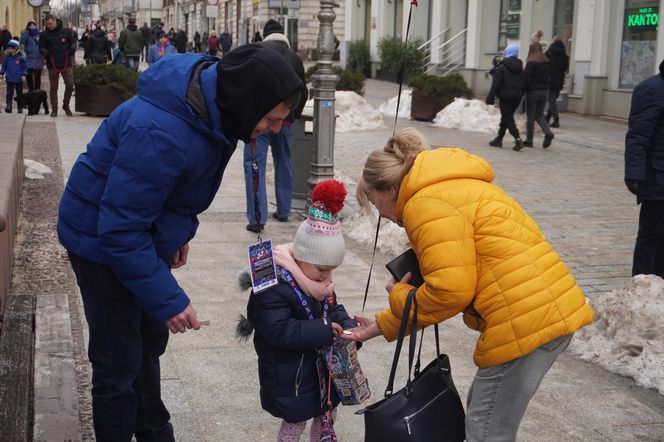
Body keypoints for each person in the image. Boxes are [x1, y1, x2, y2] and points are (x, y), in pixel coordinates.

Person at [57, 45, 304, 442]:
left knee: (147, 341)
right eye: (272, 119)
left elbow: (178, 188)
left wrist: (176, 235)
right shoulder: (161, 130)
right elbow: (119, 230)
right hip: (98, 242)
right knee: (117, 363)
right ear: (249, 102)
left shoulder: (219, 109)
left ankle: (153, 428)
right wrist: (171, 300)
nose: (275, 129)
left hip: (136, 231)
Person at [345, 128, 594, 442]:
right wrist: (380, 325)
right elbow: (453, 281)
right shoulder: (453, 186)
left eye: (374, 202)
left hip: (524, 320)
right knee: (483, 414)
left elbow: (449, 291)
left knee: (487, 432)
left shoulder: (425, 204)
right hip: (539, 311)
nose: (381, 213)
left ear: (389, 188)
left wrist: (400, 295)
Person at [237, 180, 357, 441]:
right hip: (291, 374)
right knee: (294, 423)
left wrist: (347, 325)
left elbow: (331, 308)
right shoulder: (274, 287)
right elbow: (280, 330)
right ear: (300, 256)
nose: (327, 276)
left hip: (322, 371)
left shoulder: (318, 282)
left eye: (330, 270)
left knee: (326, 417)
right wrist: (325, 329)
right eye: (321, 269)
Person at [243, 18, 307, 232]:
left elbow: (248, 86)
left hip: (259, 121)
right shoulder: (295, 58)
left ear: (266, 34)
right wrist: (291, 116)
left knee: (254, 164)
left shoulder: (259, 51)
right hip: (286, 122)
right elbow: (303, 91)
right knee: (284, 162)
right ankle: (284, 210)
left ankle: (257, 219)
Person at [625, 58, 664, 278]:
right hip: (658, 177)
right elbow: (638, 136)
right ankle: (641, 288)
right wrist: (634, 173)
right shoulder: (652, 89)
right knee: (652, 236)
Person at [486, 44, 525, 151]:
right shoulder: (520, 68)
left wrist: (490, 97)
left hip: (505, 97)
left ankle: (518, 140)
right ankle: (499, 139)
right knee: (506, 117)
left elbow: (496, 84)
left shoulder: (502, 67)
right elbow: (524, 83)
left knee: (507, 118)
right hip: (516, 97)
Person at [39, 15, 76, 117]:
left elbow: (73, 42)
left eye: (50, 23)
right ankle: (54, 109)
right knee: (53, 88)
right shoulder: (44, 34)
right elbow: (41, 48)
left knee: (70, 84)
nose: (48, 26)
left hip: (66, 63)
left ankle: (66, 105)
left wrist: (73, 48)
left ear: (55, 21)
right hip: (52, 64)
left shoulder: (66, 31)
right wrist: (46, 52)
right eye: (47, 24)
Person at [523, 41, 554, 148]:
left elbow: (526, 79)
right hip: (544, 92)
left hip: (532, 92)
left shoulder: (531, 63)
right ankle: (548, 133)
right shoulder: (546, 62)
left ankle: (529, 140)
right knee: (539, 115)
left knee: (531, 116)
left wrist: (523, 90)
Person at [545, 36, 569, 128]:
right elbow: (565, 68)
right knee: (553, 99)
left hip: (550, 79)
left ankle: (556, 119)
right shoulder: (564, 56)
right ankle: (547, 117)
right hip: (559, 80)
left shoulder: (549, 53)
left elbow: (545, 65)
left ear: (553, 42)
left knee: (551, 100)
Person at [1, 40, 27, 113]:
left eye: (11, 48)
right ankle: (9, 106)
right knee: (9, 93)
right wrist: (1, 73)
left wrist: (24, 75)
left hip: (19, 79)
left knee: (19, 94)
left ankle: (20, 107)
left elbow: (24, 68)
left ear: (16, 48)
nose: (10, 50)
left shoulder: (21, 58)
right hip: (9, 78)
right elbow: (4, 67)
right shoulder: (7, 58)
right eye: (9, 48)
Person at [20, 21, 43, 91]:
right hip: (29, 58)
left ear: (36, 26)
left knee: (37, 76)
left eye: (33, 25)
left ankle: (37, 89)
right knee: (29, 75)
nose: (32, 26)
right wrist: (27, 32)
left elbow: (43, 43)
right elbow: (22, 41)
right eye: (31, 25)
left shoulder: (39, 34)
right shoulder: (26, 34)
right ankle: (31, 89)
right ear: (28, 26)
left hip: (38, 58)